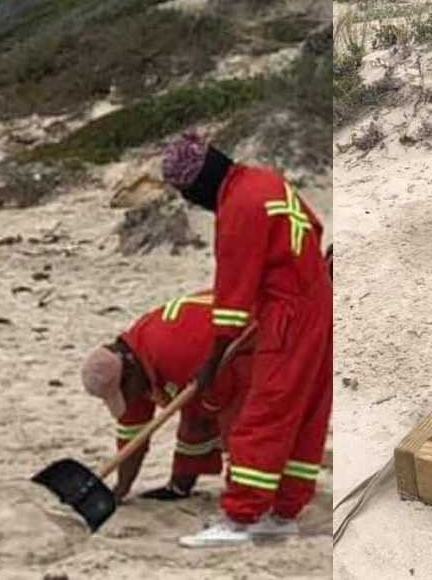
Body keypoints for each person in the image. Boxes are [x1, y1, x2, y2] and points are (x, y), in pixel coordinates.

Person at [161, 132, 333, 548]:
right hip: (320, 304)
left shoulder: (237, 208)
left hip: (288, 316)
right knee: (306, 411)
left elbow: (232, 299)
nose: (190, 203)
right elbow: (314, 224)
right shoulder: (265, 180)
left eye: (187, 194)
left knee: (264, 413)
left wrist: (212, 361)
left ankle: (241, 516)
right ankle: (283, 512)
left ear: (199, 182)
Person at [80, 290, 253, 502]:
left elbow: (221, 408)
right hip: (212, 349)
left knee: (242, 428)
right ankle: (180, 487)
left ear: (129, 374)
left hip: (253, 336)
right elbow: (133, 436)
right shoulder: (135, 364)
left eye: (122, 393)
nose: (128, 399)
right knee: (196, 410)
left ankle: (251, 498)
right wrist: (120, 489)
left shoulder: (171, 352)